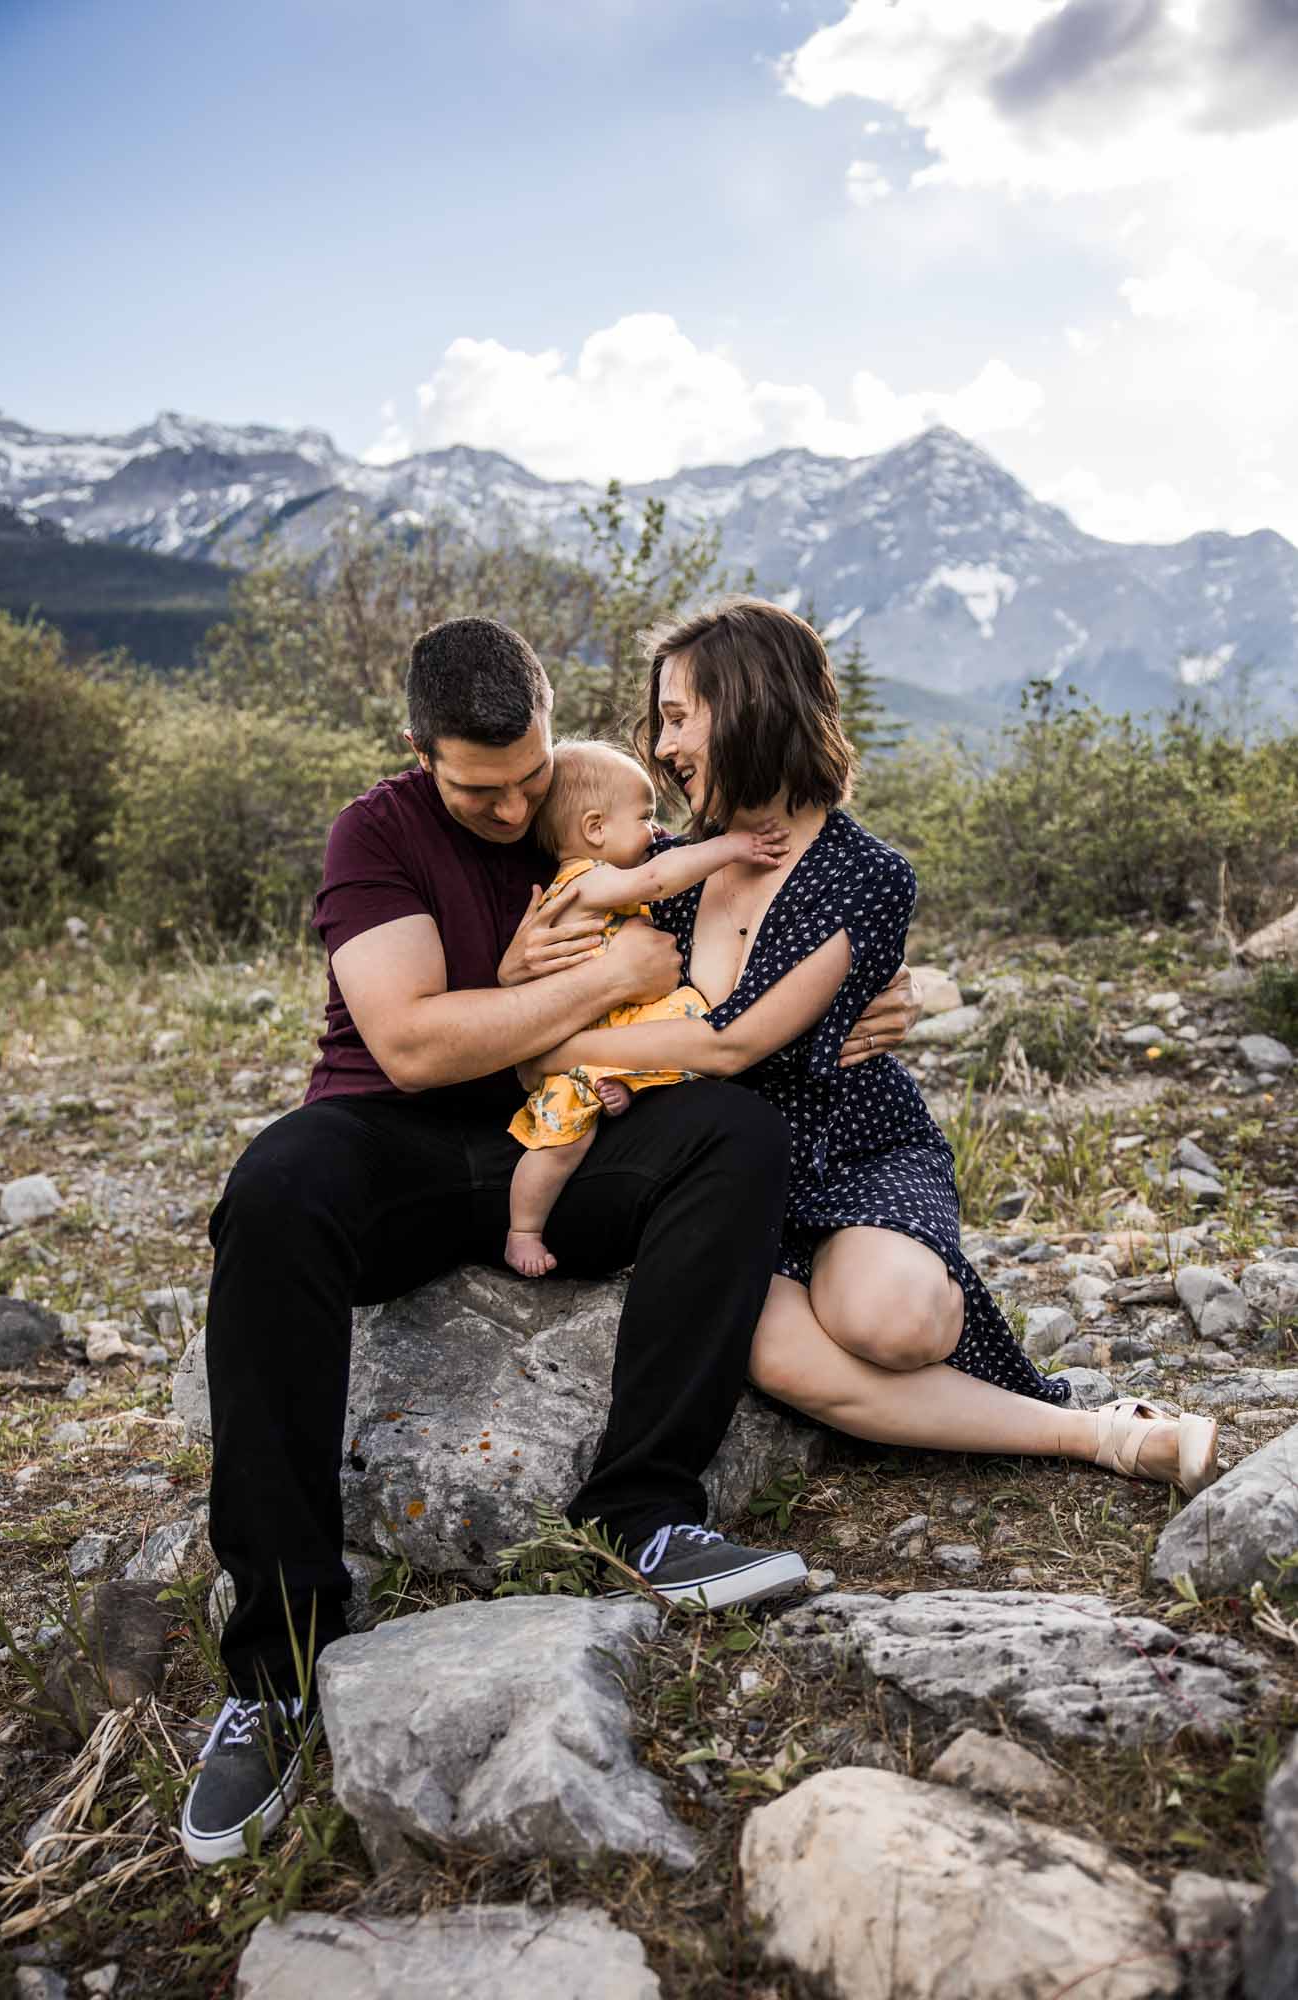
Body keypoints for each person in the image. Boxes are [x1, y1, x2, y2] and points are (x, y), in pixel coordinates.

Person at [180, 615, 921, 1866]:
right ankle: (279, 1658)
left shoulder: (586, 804)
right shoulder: (380, 833)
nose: (515, 801)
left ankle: (645, 1509)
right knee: (275, 1185)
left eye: (532, 773)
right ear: (419, 751)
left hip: (568, 1134)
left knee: (736, 1134)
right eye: (483, 784)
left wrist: (881, 997)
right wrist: (583, 980)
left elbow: (759, 926)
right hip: (402, 1139)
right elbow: (411, 1044)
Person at [521, 597, 1220, 1503]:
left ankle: (901, 1313)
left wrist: (560, 1044)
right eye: (660, 721)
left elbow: (732, 1045)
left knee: (894, 1324)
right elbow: (558, 965)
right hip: (715, 1168)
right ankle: (1100, 1438)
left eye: (679, 716)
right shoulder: (664, 867)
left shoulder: (865, 872)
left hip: (851, 1145)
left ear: (751, 705)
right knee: (779, 1355)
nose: (662, 747)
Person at [506, 738, 789, 1276]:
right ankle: (523, 1229)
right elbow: (657, 879)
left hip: (607, 1023)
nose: (656, 831)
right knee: (563, 1139)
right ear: (594, 830)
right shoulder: (587, 880)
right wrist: (732, 846)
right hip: (579, 1028)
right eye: (644, 817)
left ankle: (623, 1081)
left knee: (682, 1017)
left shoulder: (600, 878)